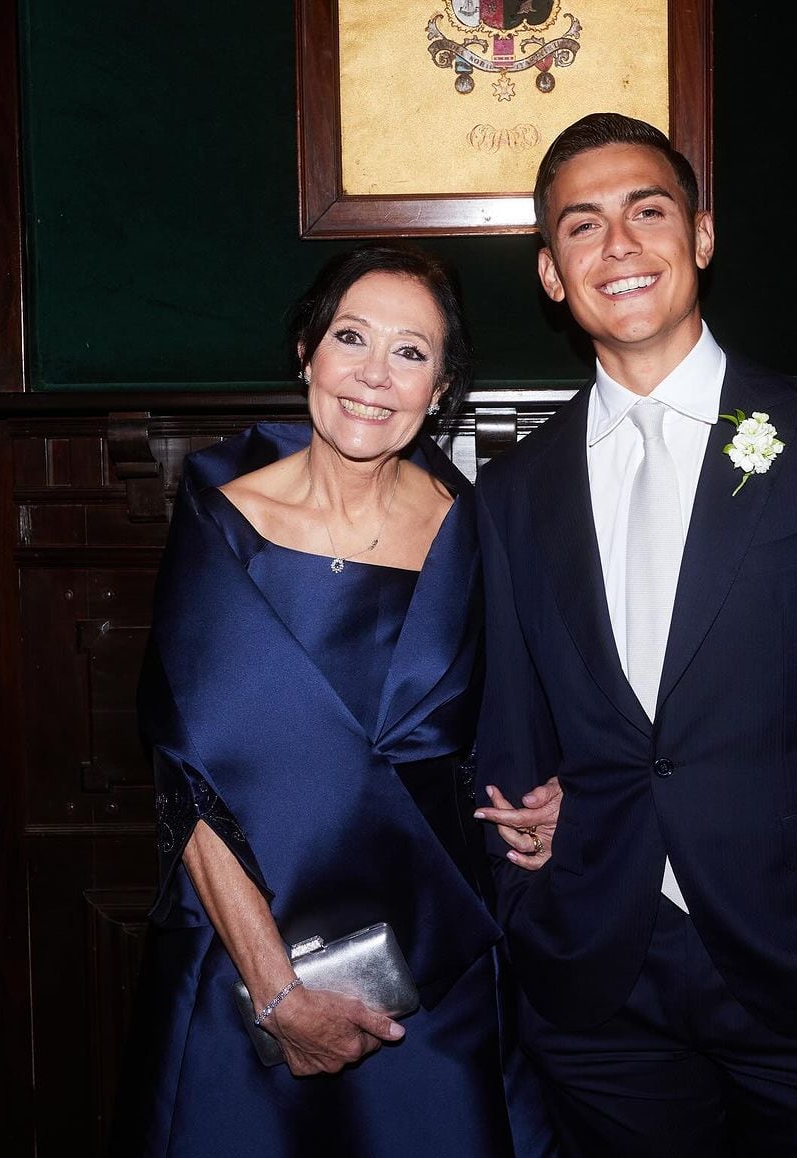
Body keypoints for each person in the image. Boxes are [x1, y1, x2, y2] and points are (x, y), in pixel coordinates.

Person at [472, 114, 797, 1156]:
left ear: (699, 236)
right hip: (598, 984)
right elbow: (511, 728)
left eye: (646, 212)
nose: (619, 246)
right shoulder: (513, 492)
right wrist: (529, 903)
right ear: (553, 275)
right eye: (583, 227)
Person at [110, 247, 556, 1157]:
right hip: (247, 969)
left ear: (442, 390)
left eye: (410, 352)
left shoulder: (474, 527)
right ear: (308, 350)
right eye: (351, 337)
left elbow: (513, 711)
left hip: (430, 961)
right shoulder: (220, 522)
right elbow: (189, 787)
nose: (372, 376)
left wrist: (546, 798)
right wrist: (278, 997)